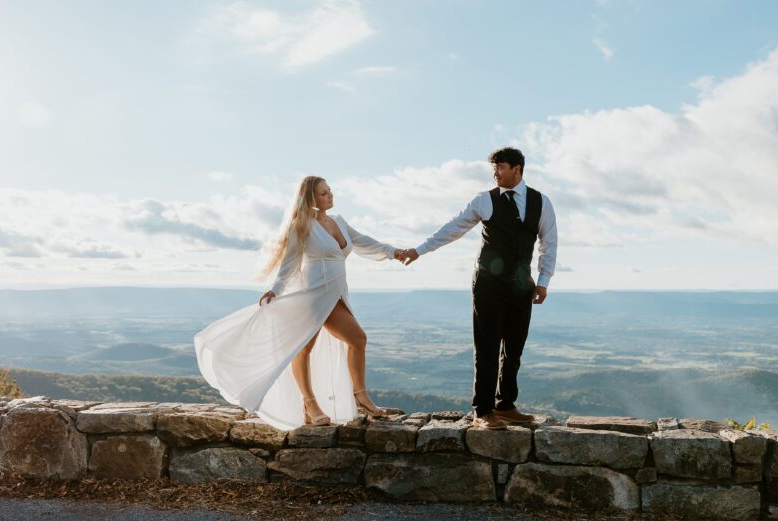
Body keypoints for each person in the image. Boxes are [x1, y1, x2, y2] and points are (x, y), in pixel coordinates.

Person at [194, 176, 405, 430]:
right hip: (311, 294)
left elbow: (363, 242)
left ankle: (361, 396)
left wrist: (394, 252)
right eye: (324, 193)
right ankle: (310, 403)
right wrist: (276, 289)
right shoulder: (301, 226)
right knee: (305, 347)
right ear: (311, 199)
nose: (330, 196)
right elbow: (290, 261)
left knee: (357, 339)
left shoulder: (339, 222)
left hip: (335, 294)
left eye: (330, 191)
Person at [401, 147, 558, 430]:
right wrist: (420, 250)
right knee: (486, 345)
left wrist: (544, 281)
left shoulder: (541, 202)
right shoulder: (484, 200)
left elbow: (550, 243)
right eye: (494, 168)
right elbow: (453, 229)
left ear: (517, 169)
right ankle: (482, 411)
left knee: (514, 346)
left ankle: (506, 405)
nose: (495, 173)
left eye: (500, 167)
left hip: (522, 284)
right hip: (488, 284)